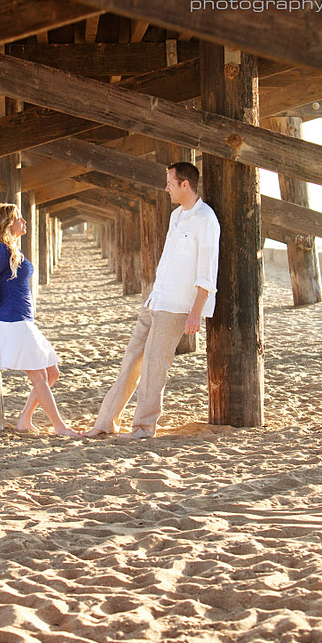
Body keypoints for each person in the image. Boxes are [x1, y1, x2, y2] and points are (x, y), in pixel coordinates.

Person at [85, 162, 220, 439]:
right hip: (155, 301)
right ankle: (106, 422)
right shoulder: (175, 216)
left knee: (154, 367)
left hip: (176, 306)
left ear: (186, 185)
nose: (166, 187)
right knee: (131, 361)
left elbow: (207, 271)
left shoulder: (206, 219)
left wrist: (196, 312)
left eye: (171, 182)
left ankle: (144, 427)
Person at [0, 203, 81, 438]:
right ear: (7, 223)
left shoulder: (12, 250)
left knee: (52, 373)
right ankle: (60, 427)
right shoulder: (2, 250)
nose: (24, 222)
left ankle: (25, 420)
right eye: (19, 218)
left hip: (25, 320)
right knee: (40, 376)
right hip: (13, 320)